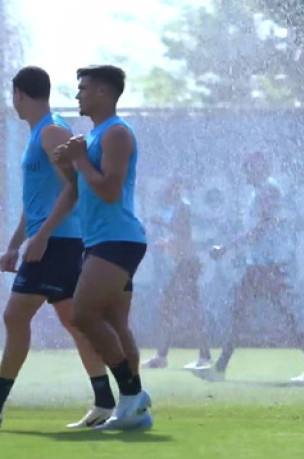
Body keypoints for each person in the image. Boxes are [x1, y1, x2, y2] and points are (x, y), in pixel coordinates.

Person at [0, 66, 115, 429]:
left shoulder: (51, 132)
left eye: (12, 96)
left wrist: (43, 236)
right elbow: (35, 201)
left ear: (19, 94)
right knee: (74, 322)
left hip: (59, 243)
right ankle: (107, 401)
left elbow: (77, 187)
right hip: (52, 242)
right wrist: (15, 244)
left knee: (14, 317)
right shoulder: (42, 132)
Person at [54, 65, 152, 430]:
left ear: (103, 93)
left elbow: (110, 190)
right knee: (114, 323)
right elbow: (83, 190)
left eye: (83, 88)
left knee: (82, 314)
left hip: (118, 239)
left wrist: (78, 160)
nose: (77, 95)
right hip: (101, 239)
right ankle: (133, 409)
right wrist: (67, 167)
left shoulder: (115, 134)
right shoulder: (94, 136)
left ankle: (132, 396)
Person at [191, 152, 304, 384]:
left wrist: (226, 248)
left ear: (259, 168)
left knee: (250, 314)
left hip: (268, 266)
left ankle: (221, 368)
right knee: (256, 314)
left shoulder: (269, 190)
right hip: (262, 265)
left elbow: (262, 228)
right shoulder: (259, 191)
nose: (244, 174)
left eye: (248, 169)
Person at [141, 178, 211, 370]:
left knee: (180, 309)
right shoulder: (179, 208)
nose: (166, 193)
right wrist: (168, 242)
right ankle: (168, 354)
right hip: (185, 265)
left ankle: (201, 356)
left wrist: (162, 224)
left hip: (187, 266)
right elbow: (182, 236)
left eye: (170, 189)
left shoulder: (183, 208)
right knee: (174, 308)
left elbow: (184, 233)